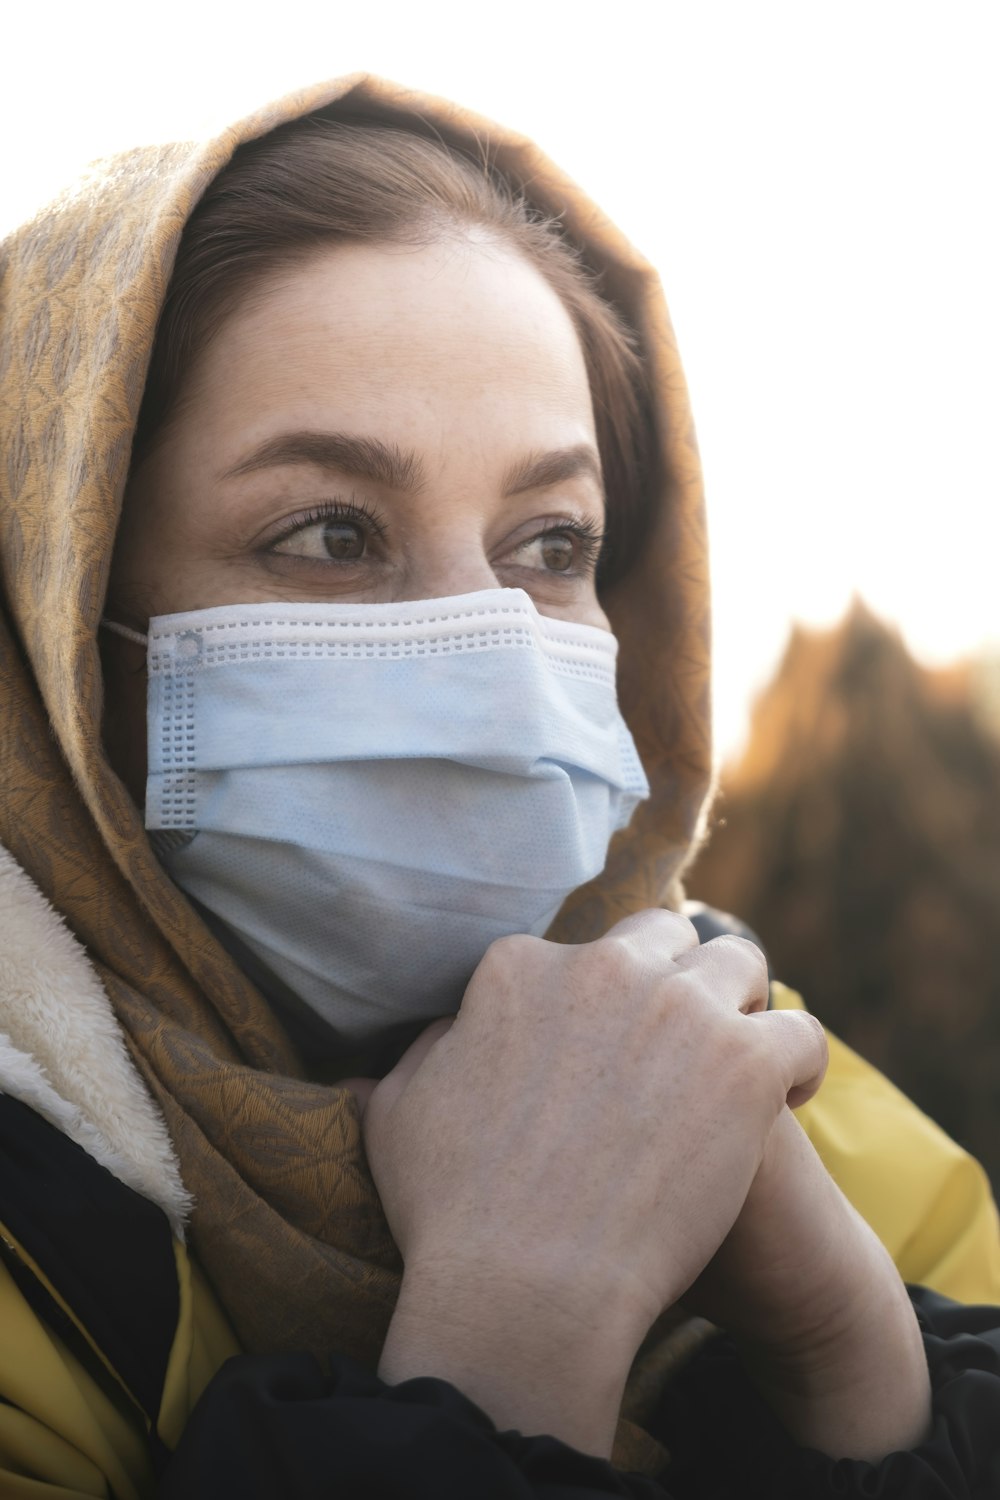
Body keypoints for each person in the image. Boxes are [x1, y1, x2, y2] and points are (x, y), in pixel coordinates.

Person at [1, 74, 999, 1499]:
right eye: (330, 532)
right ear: (57, 619)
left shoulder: (788, 1093)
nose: (491, 656)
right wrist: (512, 1342)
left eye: (550, 543)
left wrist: (854, 1353)